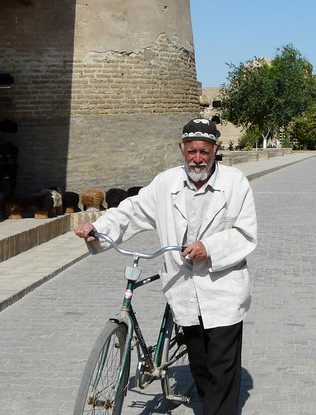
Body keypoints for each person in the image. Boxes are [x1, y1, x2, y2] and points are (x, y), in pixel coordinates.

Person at [74, 118, 257, 415]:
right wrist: (98, 228)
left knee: (222, 366)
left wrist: (209, 247)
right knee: (200, 362)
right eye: (192, 151)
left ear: (216, 150)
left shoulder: (235, 183)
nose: (198, 158)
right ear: (181, 149)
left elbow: (245, 234)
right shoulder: (166, 183)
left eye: (205, 152)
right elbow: (131, 211)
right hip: (183, 286)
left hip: (222, 286)